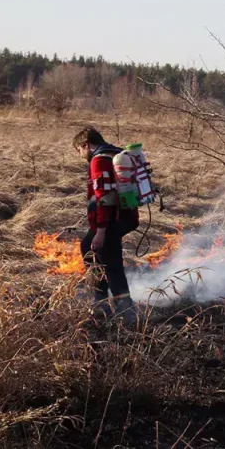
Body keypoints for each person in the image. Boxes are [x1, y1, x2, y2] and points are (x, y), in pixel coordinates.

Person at [72, 126, 139, 320]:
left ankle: (125, 310)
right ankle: (100, 302)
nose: (80, 155)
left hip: (112, 219)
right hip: (125, 217)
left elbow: (105, 197)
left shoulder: (99, 160)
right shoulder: (115, 153)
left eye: (79, 150)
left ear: (86, 145)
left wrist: (100, 229)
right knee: (90, 249)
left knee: (110, 261)